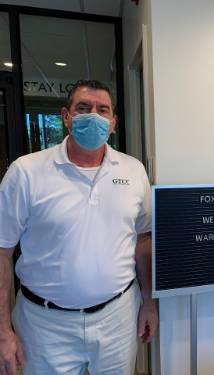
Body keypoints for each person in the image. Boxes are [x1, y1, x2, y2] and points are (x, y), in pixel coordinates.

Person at [0, 80, 158, 375]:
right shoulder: (26, 172)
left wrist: (149, 303)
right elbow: (2, 251)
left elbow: (143, 240)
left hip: (118, 318)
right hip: (44, 325)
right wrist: (2, 331)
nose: (93, 117)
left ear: (113, 122)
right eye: (83, 108)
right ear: (66, 116)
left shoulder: (133, 170)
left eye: (102, 110)